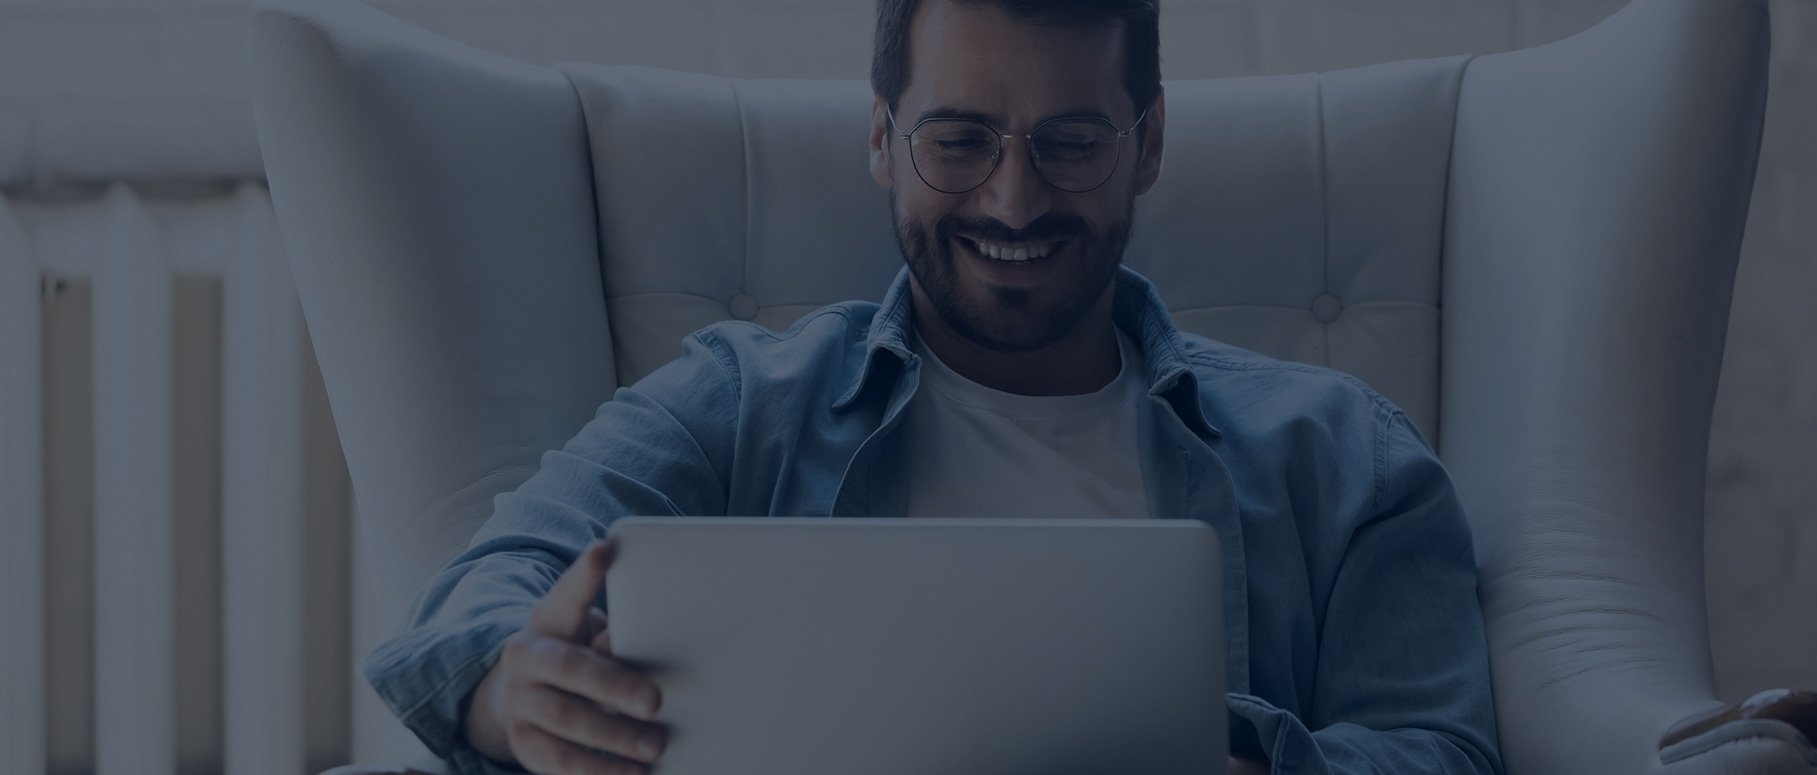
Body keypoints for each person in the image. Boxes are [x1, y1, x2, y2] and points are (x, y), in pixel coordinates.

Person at [362, 0, 1503, 773]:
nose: (1014, 202)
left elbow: (1445, 751)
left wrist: (1252, 763)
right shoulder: (740, 403)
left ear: (1147, 143)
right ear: (880, 137)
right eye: (958, 141)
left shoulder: (1346, 455)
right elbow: (483, 590)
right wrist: (513, 692)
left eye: (1071, 143)